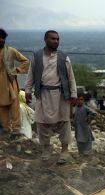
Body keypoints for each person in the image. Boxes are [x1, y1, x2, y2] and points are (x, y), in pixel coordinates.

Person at [25, 30, 77, 163]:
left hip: (60, 95)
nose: (56, 41)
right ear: (45, 40)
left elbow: (71, 78)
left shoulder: (64, 57)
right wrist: (27, 90)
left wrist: (73, 94)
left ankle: (64, 151)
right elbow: (31, 74)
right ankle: (46, 149)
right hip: (43, 95)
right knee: (41, 122)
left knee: (64, 122)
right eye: (53, 39)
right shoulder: (37, 56)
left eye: (58, 39)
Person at [0, 29, 30, 136]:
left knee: (14, 105)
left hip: (10, 82)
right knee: (2, 106)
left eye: (3, 38)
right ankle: (6, 129)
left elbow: (25, 61)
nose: (1, 40)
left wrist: (16, 70)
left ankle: (16, 129)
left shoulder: (11, 51)